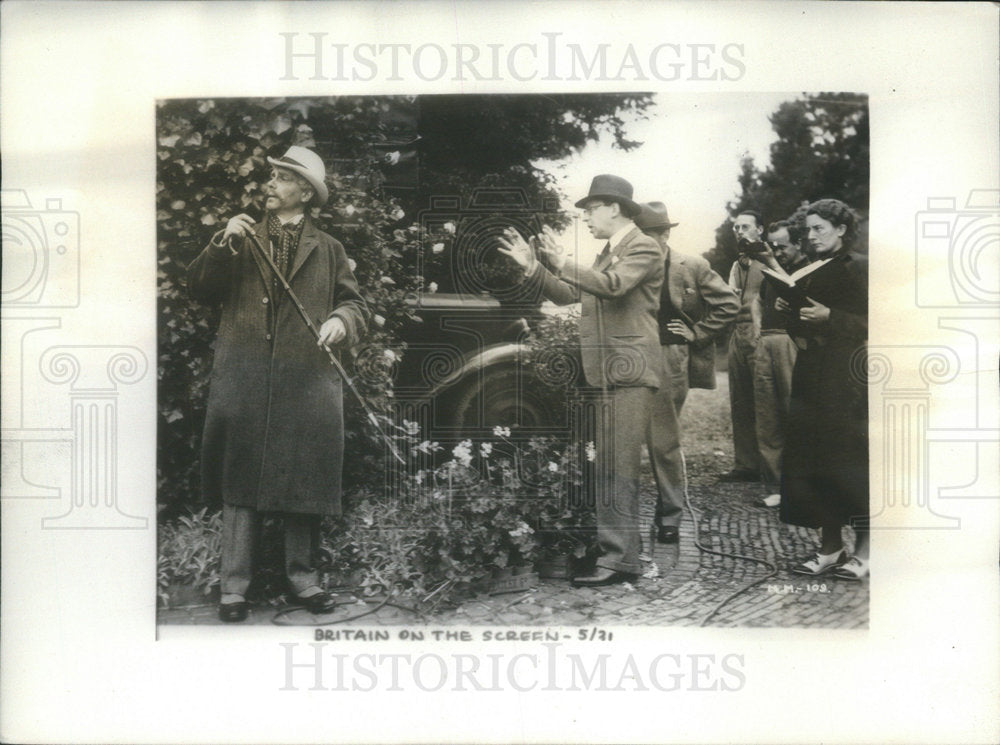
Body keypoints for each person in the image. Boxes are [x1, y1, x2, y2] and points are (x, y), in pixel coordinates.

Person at [187, 145, 369, 622]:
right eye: (270, 177)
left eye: (281, 179)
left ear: (304, 192)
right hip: (245, 376)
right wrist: (220, 242)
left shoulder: (330, 249)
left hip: (306, 379)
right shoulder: (240, 236)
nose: (269, 185)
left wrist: (341, 320)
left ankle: (304, 581)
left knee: (303, 476)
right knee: (240, 475)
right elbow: (200, 290)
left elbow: (357, 305)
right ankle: (234, 588)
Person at [497, 175, 663, 587]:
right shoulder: (609, 252)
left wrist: (561, 263)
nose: (585, 216)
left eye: (591, 209)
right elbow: (569, 296)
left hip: (628, 373)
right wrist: (533, 267)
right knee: (607, 466)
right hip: (607, 373)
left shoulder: (642, 245)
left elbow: (611, 287)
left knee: (619, 468)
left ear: (615, 208)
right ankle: (617, 556)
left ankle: (621, 562)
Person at [635, 201, 738, 543]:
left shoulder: (690, 265)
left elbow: (728, 304)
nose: (647, 242)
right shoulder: (628, 263)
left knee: (663, 439)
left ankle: (670, 516)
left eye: (652, 235)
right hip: (630, 357)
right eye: (641, 235)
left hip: (669, 356)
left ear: (665, 234)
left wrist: (698, 333)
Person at [776, 199, 869, 580]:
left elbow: (883, 322)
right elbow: (804, 321)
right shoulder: (808, 268)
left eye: (820, 229)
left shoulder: (860, 266)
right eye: (808, 230)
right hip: (812, 372)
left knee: (852, 462)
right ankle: (830, 549)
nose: (811, 236)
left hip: (849, 379)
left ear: (842, 229)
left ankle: (865, 551)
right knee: (815, 461)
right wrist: (788, 308)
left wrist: (832, 317)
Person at [751, 219, 812, 508]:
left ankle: (803, 486)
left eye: (782, 246)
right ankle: (775, 486)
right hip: (766, 340)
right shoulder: (770, 272)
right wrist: (756, 327)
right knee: (767, 417)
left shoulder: (811, 269)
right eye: (772, 246)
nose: (776, 251)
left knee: (795, 413)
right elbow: (758, 300)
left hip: (792, 342)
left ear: (800, 243)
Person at [720, 210, 767, 482]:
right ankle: (746, 464)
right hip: (738, 334)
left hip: (762, 334)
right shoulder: (737, 265)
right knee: (740, 399)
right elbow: (730, 298)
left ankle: (771, 466)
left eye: (745, 226)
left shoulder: (772, 259)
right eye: (735, 227)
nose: (739, 231)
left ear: (759, 230)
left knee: (765, 400)